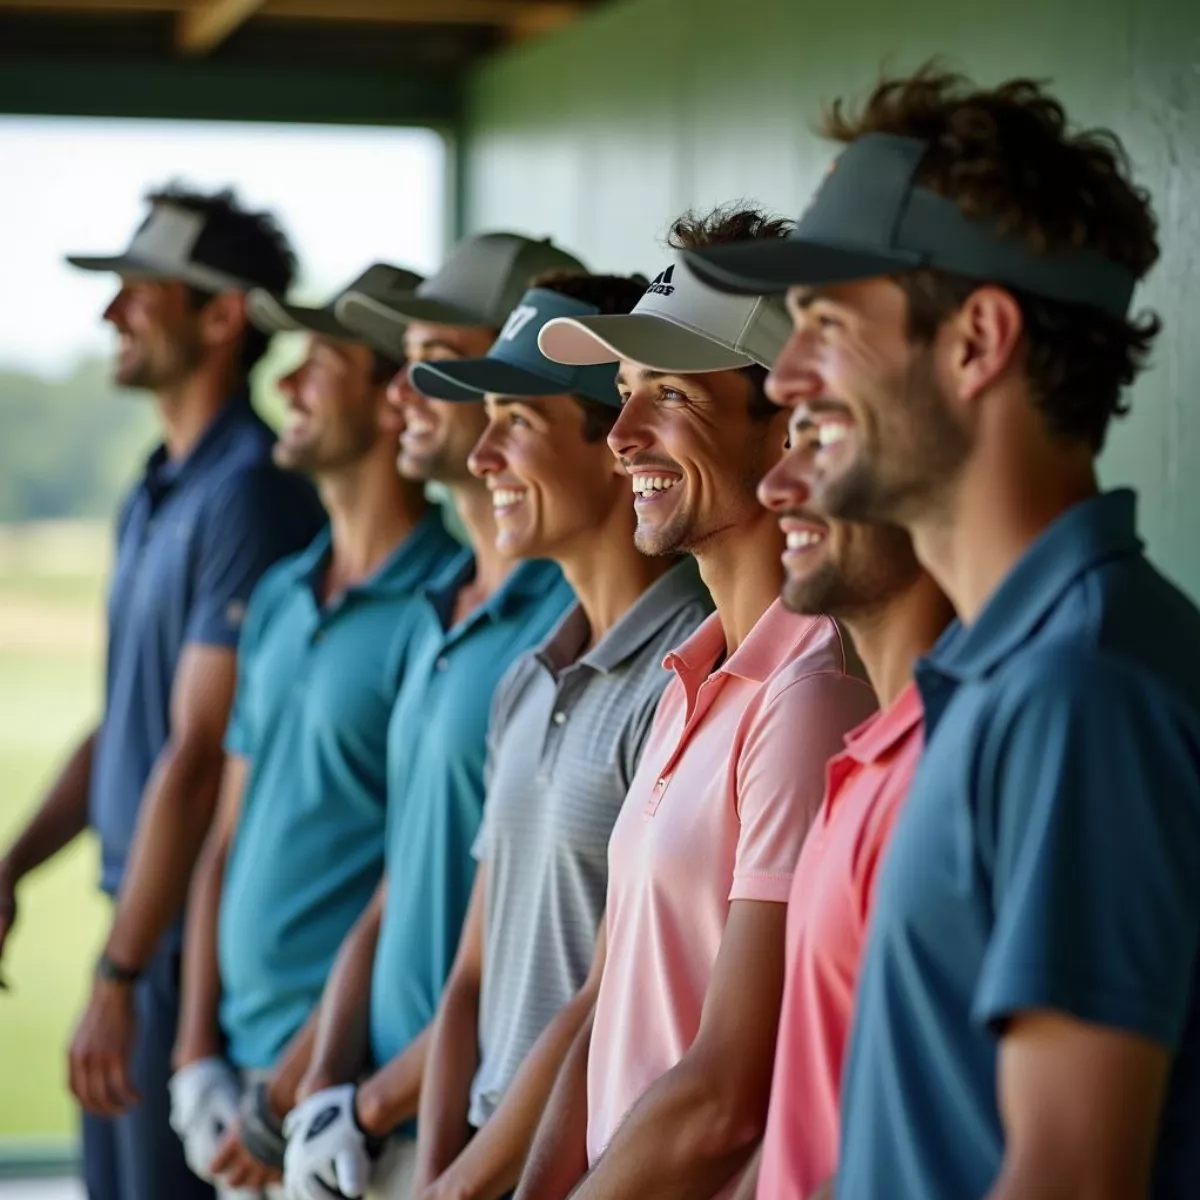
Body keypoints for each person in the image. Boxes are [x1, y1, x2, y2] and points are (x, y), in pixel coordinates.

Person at [683, 67, 1200, 1200]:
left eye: (826, 323)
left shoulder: (1085, 692)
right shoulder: (991, 678)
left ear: (977, 342)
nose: (791, 376)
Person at [516, 207, 877, 1200]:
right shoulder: (690, 676)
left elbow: (728, 1098)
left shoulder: (813, 693)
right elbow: (608, 1003)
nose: (623, 436)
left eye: (669, 395)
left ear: (789, 424)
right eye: (625, 395)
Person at [0, 188, 325, 1200]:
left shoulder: (252, 491)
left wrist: (122, 975)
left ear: (221, 317)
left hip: (189, 955)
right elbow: (125, 721)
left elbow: (199, 751)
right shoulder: (160, 483)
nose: (112, 317)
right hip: (142, 933)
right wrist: (13, 865)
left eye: (141, 294)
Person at [278, 233, 584, 1200]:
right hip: (375, 1121)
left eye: (437, 366)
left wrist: (382, 1109)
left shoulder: (568, 626)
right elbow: (399, 874)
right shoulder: (440, 599)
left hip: (460, 1134)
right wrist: (328, 1083)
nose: (400, 393)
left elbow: (551, 962)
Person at [402, 272, 713, 1200]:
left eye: (519, 421)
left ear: (611, 450)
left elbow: (606, 999)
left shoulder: (688, 671)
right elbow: (469, 980)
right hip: (482, 1162)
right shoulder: (524, 679)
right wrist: (439, 1176)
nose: (484, 455)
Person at [167, 264, 462, 1200]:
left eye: (319, 362)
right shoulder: (286, 592)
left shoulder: (445, 598)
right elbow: (228, 834)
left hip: (340, 1090)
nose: (284, 385)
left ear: (393, 398)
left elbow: (408, 873)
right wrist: (193, 1052)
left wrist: (294, 1084)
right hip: (240, 1076)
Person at [727, 383, 954, 1200]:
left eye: (822, 438)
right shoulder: (865, 752)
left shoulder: (951, 760)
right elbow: (812, 1117)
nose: (777, 484)